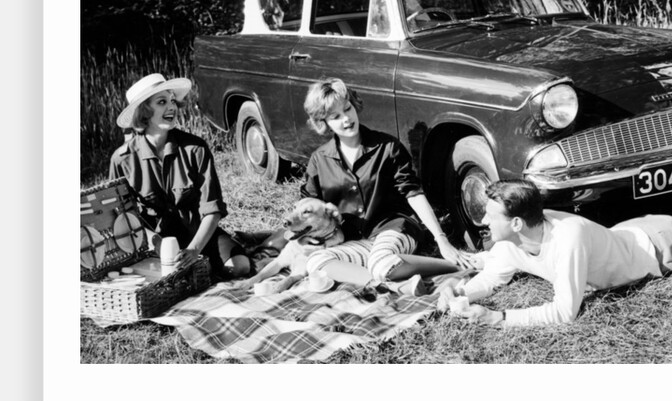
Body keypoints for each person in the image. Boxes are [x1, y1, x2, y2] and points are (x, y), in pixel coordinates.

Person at [438, 178, 672, 327]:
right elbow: (492, 276)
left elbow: (564, 312)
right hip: (638, 229)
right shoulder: (512, 241)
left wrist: (498, 317)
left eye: (490, 215)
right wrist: (461, 292)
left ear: (517, 222)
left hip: (664, 247)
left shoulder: (567, 238)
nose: (483, 220)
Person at [242, 77, 476, 295]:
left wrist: (442, 240)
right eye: (335, 116)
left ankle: (451, 265)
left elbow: (413, 193)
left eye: (347, 108)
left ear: (354, 106)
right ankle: (391, 286)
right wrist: (295, 240)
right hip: (354, 239)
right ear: (324, 123)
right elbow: (305, 208)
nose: (346, 119)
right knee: (315, 261)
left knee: (381, 262)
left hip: (394, 228)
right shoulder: (319, 160)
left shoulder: (388, 147)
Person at [109, 73, 251, 280]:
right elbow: (121, 216)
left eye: (173, 101)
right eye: (162, 102)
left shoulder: (195, 148)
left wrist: (194, 250)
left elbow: (212, 209)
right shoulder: (122, 160)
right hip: (154, 243)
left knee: (240, 266)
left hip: (199, 235)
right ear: (144, 112)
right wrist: (155, 242)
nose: (172, 107)